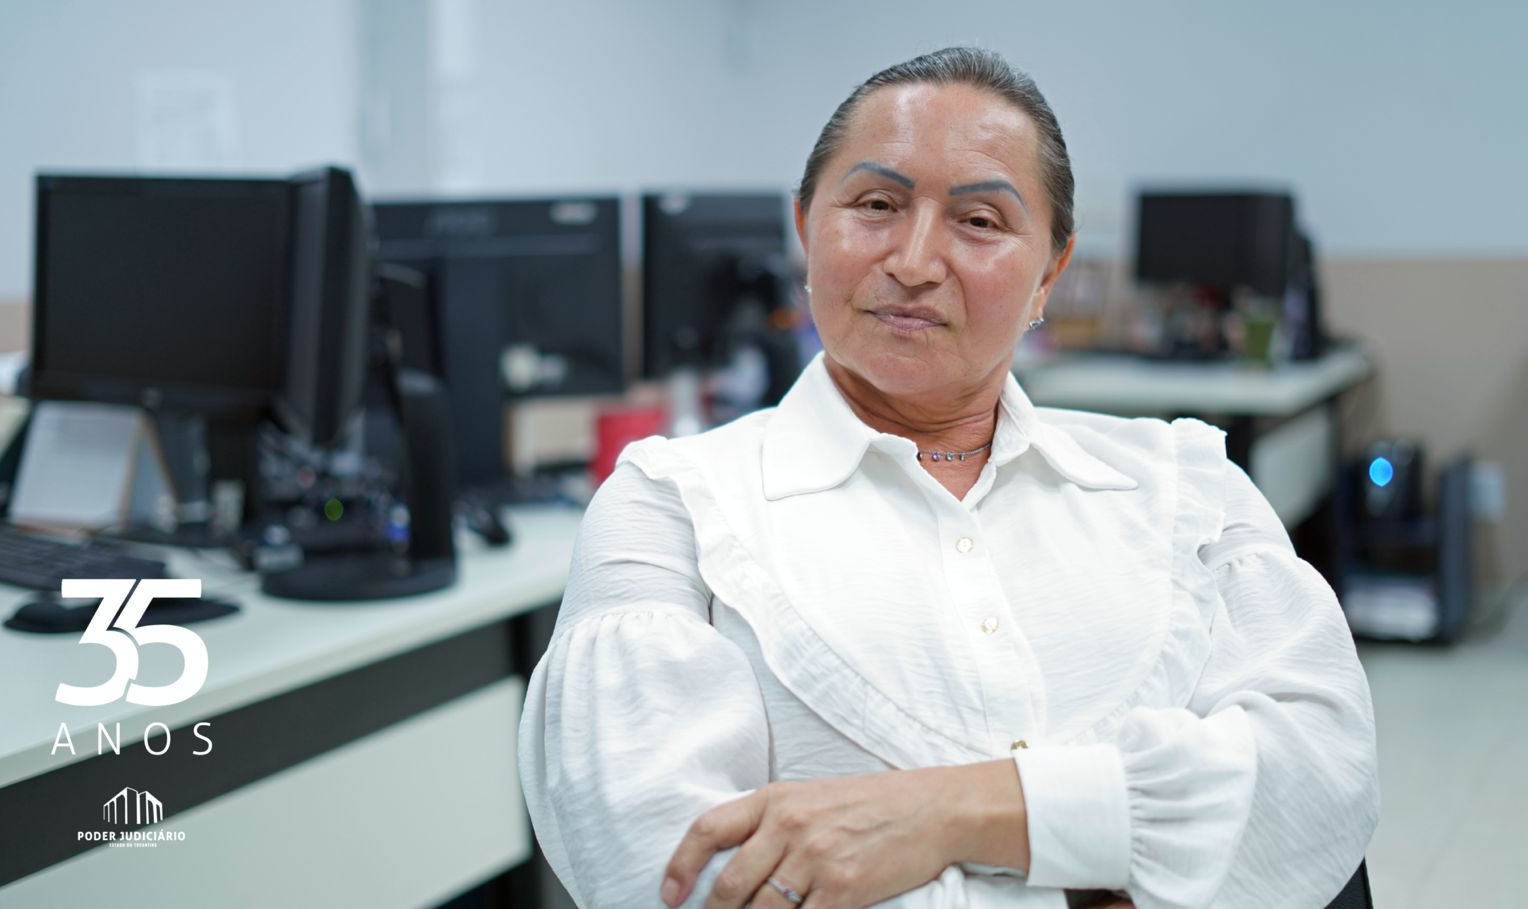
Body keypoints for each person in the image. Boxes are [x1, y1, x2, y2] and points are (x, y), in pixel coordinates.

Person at [517, 47, 1377, 909]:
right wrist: (1106, 859)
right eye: (877, 204)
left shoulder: (1185, 483)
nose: (917, 260)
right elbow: (672, 868)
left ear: (1050, 271)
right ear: (805, 227)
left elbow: (1319, 777)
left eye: (980, 222)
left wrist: (947, 813)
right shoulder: (670, 506)